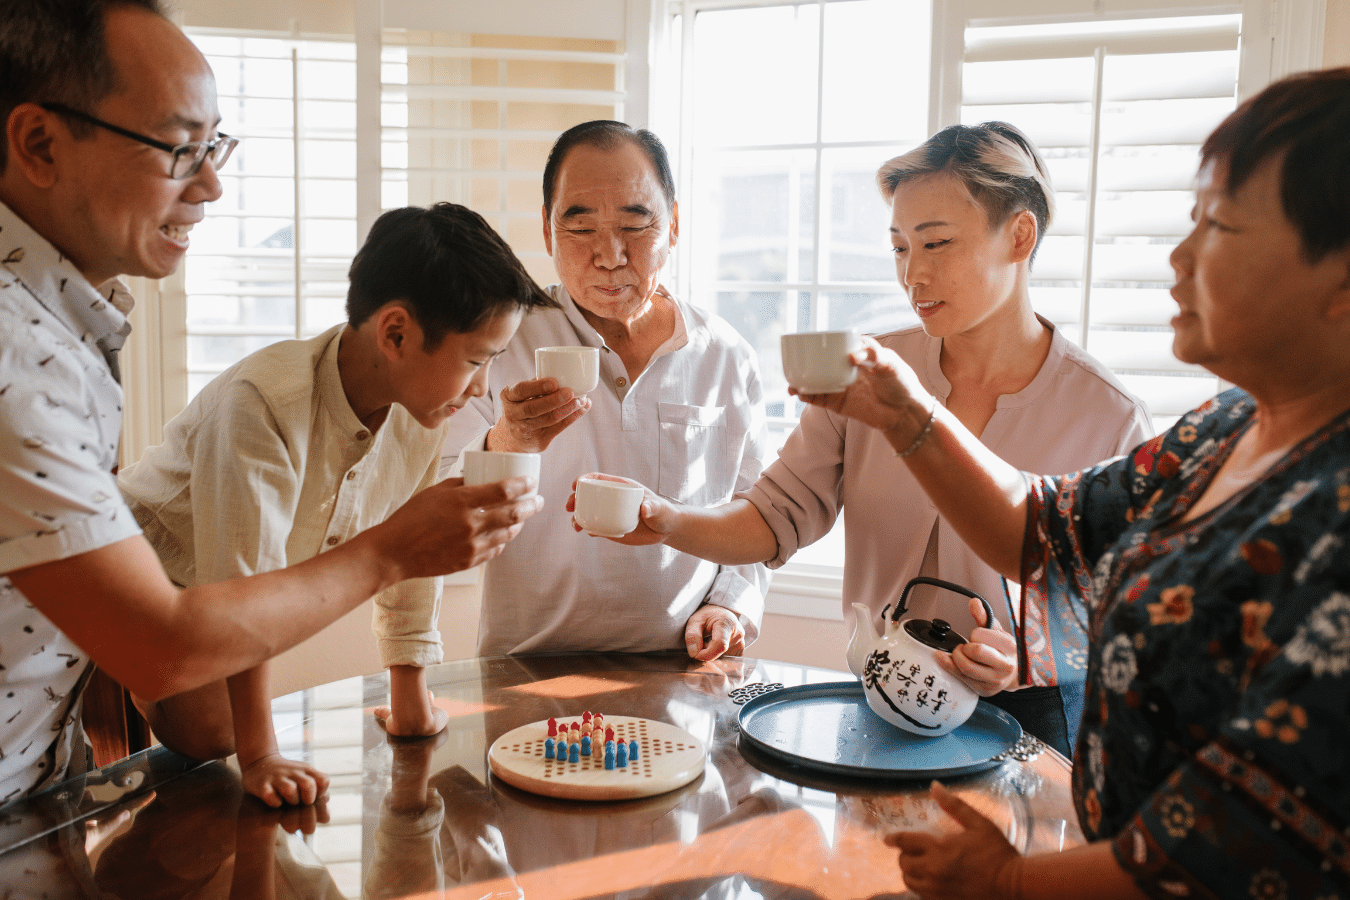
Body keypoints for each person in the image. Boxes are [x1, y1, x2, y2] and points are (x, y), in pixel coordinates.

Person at [796, 69, 1350, 898]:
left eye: (1221, 225)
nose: (1179, 254)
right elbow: (1040, 530)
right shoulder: (1219, 433)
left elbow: (1239, 838)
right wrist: (908, 413)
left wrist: (1011, 883)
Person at [0, 0, 543, 806]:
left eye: (214, 146)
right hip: (144, 644)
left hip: (42, 759)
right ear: (41, 144)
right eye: (180, 150)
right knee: (213, 739)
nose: (214, 185)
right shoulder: (25, 354)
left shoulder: (71, 327)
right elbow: (167, 640)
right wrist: (396, 545)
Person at [583, 122, 1151, 755]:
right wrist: (667, 521)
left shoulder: (1109, 415)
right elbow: (774, 517)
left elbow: (1133, 617)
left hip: (1031, 716)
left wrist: (1029, 655)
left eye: (936, 244)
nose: (914, 274)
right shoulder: (868, 376)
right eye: (900, 247)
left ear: (1019, 235)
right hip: (877, 699)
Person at [116, 202, 553, 807]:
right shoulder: (263, 404)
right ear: (396, 333)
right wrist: (261, 754)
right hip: (142, 581)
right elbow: (244, 587)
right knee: (214, 729)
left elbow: (411, 561)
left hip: (237, 601)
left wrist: (410, 694)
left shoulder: (424, 417)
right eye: (476, 360)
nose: (483, 387)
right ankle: (135, 677)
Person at [439, 120, 769, 660]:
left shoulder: (724, 355)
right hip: (524, 668)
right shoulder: (499, 340)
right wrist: (508, 443)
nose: (610, 255)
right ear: (547, 232)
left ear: (675, 225)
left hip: (681, 667)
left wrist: (730, 605)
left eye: (635, 226)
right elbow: (437, 516)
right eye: (581, 226)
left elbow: (758, 509)